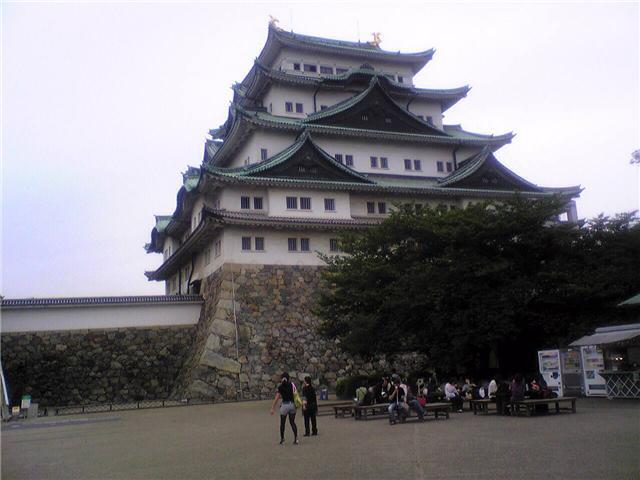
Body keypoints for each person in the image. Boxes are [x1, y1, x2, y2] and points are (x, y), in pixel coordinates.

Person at [270, 372, 299, 445]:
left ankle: (282, 439)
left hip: (285, 405)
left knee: (282, 423)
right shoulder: (292, 385)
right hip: (292, 405)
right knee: (292, 422)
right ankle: (296, 438)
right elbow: (296, 394)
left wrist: (272, 407)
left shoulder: (281, 387)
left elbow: (277, 398)